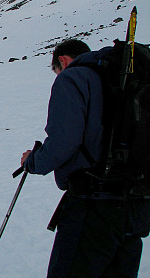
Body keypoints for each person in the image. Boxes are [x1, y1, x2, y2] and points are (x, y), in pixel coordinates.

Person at [21, 39, 149, 278]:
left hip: (93, 204)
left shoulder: (74, 78)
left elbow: (64, 142)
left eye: (57, 71)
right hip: (136, 206)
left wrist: (33, 161)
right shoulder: (120, 79)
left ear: (62, 61)